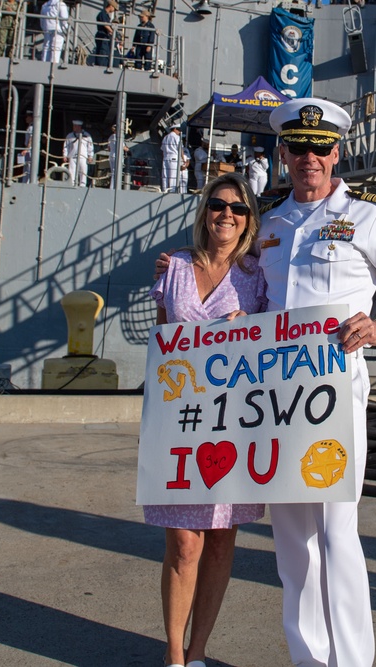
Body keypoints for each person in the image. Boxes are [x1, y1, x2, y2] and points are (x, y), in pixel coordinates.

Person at [261, 97, 376, 667]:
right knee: (291, 541)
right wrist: (181, 268)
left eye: (321, 147)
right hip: (274, 395)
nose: (311, 157)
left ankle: (352, 663)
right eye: (299, 147)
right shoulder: (268, 224)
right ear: (283, 153)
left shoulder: (368, 217)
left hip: (334, 392)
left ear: (338, 152)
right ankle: (307, 659)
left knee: (336, 531)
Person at [147, 172, 268, 667]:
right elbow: (161, 341)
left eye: (238, 210)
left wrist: (252, 329)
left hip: (234, 424)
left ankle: (198, 653)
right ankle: (174, 655)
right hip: (180, 421)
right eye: (219, 205)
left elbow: (271, 345)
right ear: (205, 212)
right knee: (183, 543)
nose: (227, 215)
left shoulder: (257, 276)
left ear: (249, 220)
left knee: (220, 540)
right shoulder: (173, 266)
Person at [63, 119, 94, 187]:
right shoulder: (70, 135)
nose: (74, 127)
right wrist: (65, 155)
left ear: (79, 127)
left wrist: (90, 156)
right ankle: (71, 184)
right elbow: (66, 146)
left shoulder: (87, 136)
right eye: (73, 126)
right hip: (72, 156)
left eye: (75, 126)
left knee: (83, 171)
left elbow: (90, 147)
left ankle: (82, 185)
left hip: (83, 156)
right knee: (71, 171)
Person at [92, 0, 117, 66]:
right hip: (102, 35)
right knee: (102, 52)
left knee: (105, 52)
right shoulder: (103, 14)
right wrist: (112, 31)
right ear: (111, 6)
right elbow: (105, 24)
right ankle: (101, 66)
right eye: (114, 8)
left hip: (105, 36)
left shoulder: (106, 15)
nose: (114, 10)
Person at [161, 123, 183, 193]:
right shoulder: (177, 137)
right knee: (173, 177)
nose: (179, 132)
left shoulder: (165, 137)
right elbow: (180, 149)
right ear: (175, 129)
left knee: (165, 176)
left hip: (165, 157)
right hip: (174, 158)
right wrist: (184, 160)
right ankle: (172, 192)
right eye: (179, 130)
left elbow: (162, 149)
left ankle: (164, 190)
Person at [18, 110, 34, 183]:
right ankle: (25, 181)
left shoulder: (32, 127)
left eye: (27, 117)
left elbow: (31, 139)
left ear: (31, 117)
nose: (26, 119)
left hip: (30, 150)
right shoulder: (30, 126)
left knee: (29, 167)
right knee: (26, 167)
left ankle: (29, 182)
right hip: (28, 149)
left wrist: (26, 149)